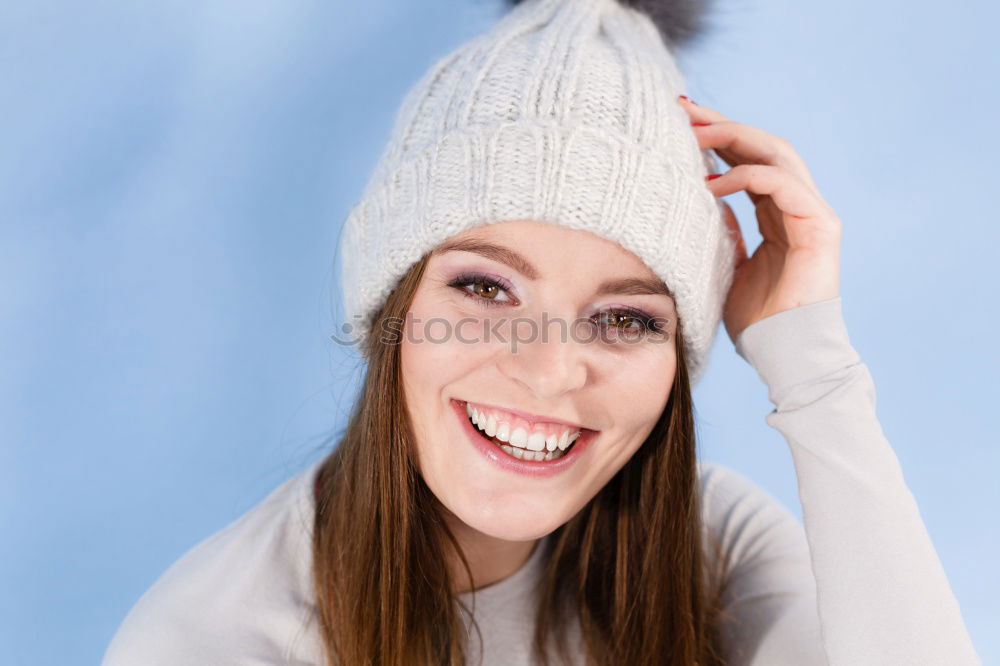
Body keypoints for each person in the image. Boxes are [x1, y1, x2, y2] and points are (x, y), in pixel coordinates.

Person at [101, 0, 981, 664]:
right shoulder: (216, 635)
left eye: (627, 318)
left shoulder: (716, 545)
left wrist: (812, 363)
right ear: (391, 309)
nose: (552, 371)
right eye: (484, 287)